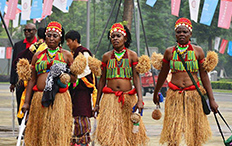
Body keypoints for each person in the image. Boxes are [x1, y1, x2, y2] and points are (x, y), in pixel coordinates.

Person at [152, 18, 219, 146]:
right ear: (175, 34)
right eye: (178, 32)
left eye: (184, 32)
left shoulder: (198, 51)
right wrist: (156, 93)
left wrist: (212, 99)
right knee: (173, 131)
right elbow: (163, 74)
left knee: (194, 132)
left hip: (193, 95)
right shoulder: (169, 52)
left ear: (190, 34)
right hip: (174, 95)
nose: (181, 34)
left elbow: (204, 77)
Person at [93, 22, 148, 146]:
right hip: (110, 99)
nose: (115, 39)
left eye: (118, 36)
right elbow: (102, 81)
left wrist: (140, 100)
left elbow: (136, 79)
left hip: (128, 98)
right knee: (111, 132)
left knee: (128, 132)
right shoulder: (106, 57)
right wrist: (97, 103)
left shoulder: (132, 56)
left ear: (125, 38)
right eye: (113, 36)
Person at [22, 21, 74, 146]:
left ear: (60, 38)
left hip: (59, 99)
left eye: (54, 36)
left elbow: (74, 78)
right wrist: (26, 102)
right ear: (45, 37)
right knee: (40, 130)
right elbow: (32, 80)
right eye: (49, 35)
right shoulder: (37, 56)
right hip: (39, 99)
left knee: (56, 131)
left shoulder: (67, 55)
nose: (51, 38)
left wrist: (67, 77)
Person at [65, 30, 97, 146]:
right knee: (75, 114)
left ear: (75, 40)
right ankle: (75, 140)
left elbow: (87, 71)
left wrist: (73, 76)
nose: (67, 44)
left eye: (69, 41)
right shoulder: (72, 54)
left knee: (82, 114)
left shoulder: (83, 53)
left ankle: (82, 140)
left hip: (82, 89)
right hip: (74, 90)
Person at [9, 23, 37, 125]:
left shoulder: (39, 45)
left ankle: (31, 129)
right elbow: (14, 64)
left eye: (29, 30)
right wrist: (12, 82)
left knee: (33, 105)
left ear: (35, 31)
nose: (27, 32)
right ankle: (21, 127)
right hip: (20, 82)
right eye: (25, 30)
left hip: (34, 81)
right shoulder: (18, 45)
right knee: (21, 103)